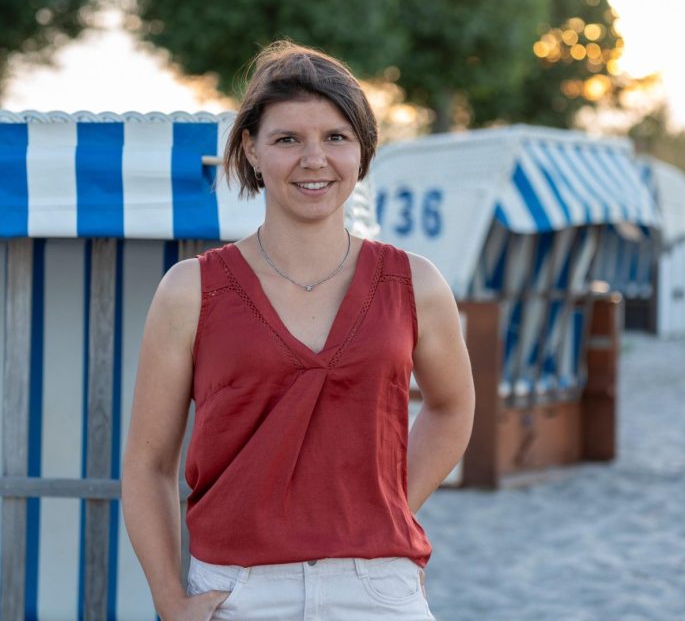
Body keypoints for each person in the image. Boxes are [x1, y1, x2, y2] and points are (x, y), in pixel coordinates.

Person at [122, 41, 475, 621]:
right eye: (288, 139)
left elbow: (453, 406)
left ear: (362, 151)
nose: (315, 158)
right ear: (252, 152)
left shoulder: (416, 283)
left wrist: (384, 507)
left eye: (336, 137)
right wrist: (168, 598)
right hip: (238, 592)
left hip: (379, 589)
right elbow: (147, 465)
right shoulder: (190, 290)